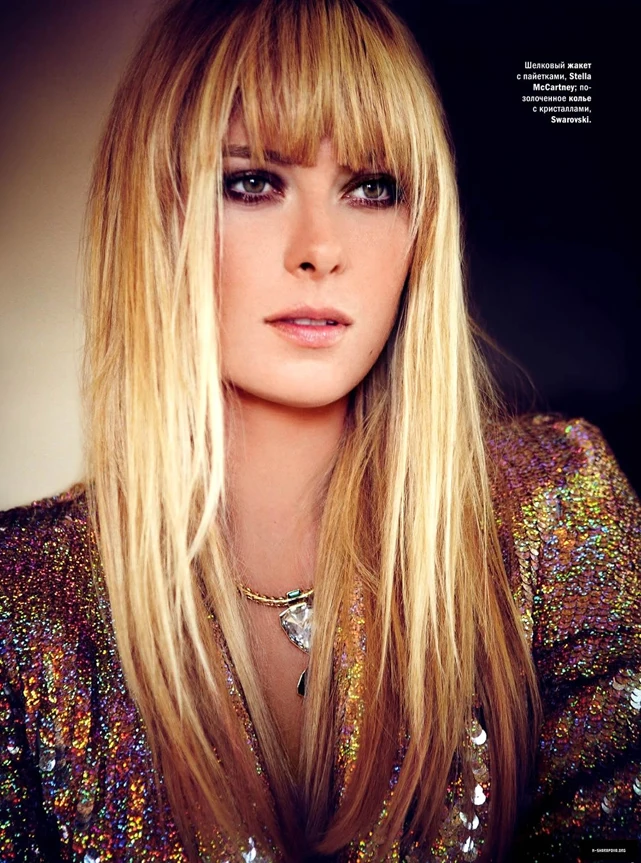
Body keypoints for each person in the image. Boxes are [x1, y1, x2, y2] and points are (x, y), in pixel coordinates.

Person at [0, 0, 639, 861]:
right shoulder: (23, 602)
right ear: (157, 213)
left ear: (421, 227)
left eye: (371, 187)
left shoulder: (557, 509)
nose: (319, 249)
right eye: (252, 183)